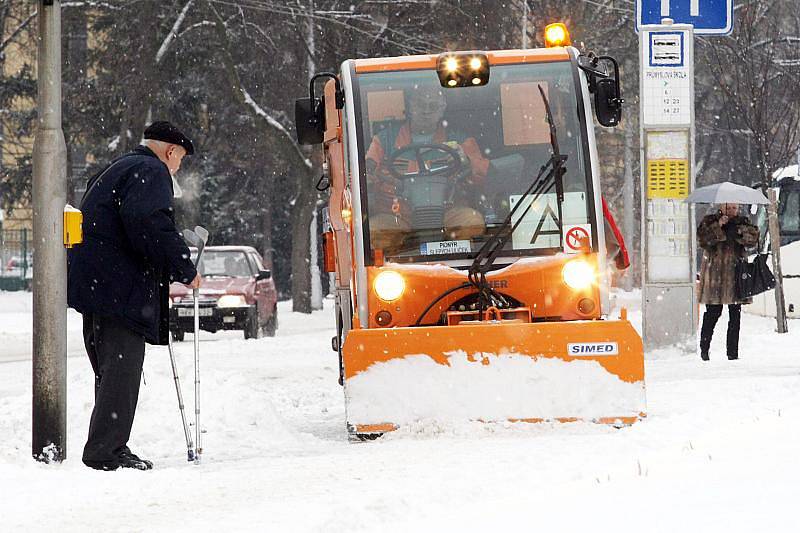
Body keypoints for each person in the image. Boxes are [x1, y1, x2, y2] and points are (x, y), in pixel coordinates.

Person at [68, 121, 201, 470]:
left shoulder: (120, 167)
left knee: (110, 371)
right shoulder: (150, 170)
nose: (178, 167)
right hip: (119, 290)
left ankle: (106, 445)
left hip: (97, 286)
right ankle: (105, 451)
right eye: (180, 160)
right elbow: (149, 223)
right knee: (121, 372)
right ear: (170, 151)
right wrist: (184, 268)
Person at [364, 85, 490, 252]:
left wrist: (466, 160)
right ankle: (393, 268)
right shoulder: (385, 140)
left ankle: (457, 263)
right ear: (410, 106)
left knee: (471, 222)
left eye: (433, 106)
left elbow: (484, 175)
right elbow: (366, 172)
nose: (426, 111)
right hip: (397, 216)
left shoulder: (460, 140)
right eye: (420, 104)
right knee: (374, 232)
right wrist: (370, 174)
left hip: (447, 213)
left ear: (442, 109)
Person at [697, 202, 759, 361]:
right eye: (729, 208)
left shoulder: (743, 222)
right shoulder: (710, 220)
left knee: (735, 315)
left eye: (734, 208)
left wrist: (739, 231)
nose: (732, 211)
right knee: (712, 313)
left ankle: (732, 353)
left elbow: (753, 240)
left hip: (736, 274)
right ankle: (704, 349)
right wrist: (718, 226)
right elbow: (703, 240)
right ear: (721, 207)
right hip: (715, 274)